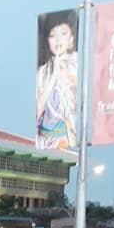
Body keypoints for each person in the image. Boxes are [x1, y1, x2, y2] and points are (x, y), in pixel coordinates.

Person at [36, 15, 78, 150]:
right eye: (53, 35)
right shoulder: (42, 72)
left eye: (63, 33)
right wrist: (54, 75)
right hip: (46, 142)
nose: (58, 39)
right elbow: (37, 111)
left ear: (71, 38)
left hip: (69, 141)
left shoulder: (78, 65)